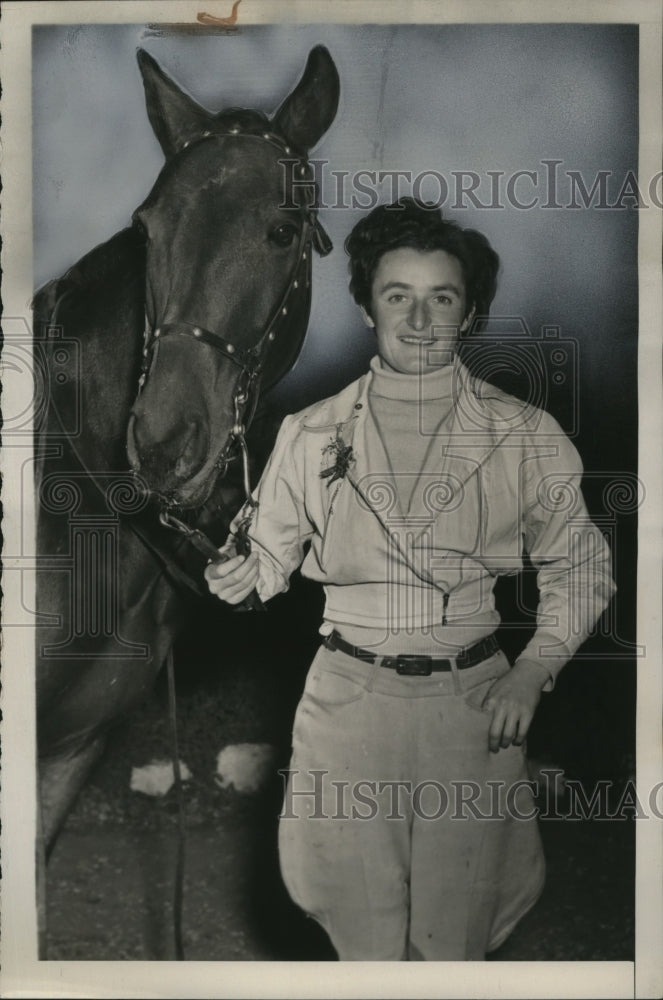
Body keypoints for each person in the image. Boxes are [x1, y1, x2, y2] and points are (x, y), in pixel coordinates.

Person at [205, 198, 616, 960]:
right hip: (347, 702)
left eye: (443, 298)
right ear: (366, 307)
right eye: (397, 296)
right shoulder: (311, 430)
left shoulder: (523, 434)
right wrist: (242, 572)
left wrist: (534, 670)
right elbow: (269, 553)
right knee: (360, 938)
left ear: (470, 312)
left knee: (453, 942)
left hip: (475, 704)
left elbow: (580, 562)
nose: (419, 319)